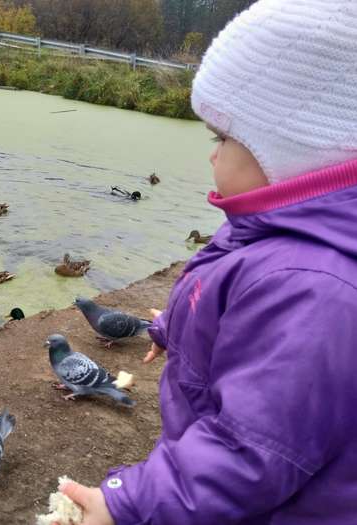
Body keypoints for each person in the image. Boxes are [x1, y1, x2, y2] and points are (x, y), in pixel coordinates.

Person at [56, 1, 357, 523]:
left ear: (291, 151)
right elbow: (229, 285)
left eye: (223, 138)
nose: (212, 156)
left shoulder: (312, 290)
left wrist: (129, 502)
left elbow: (248, 451)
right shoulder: (276, 232)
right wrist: (173, 327)